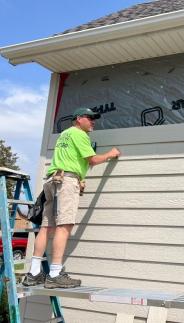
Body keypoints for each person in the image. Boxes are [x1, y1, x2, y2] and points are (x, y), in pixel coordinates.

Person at [23, 107, 121, 288]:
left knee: (46, 227)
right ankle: (54, 274)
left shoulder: (65, 134)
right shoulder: (80, 134)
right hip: (66, 181)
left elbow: (75, 159)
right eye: (90, 118)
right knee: (64, 226)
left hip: (53, 180)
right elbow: (92, 160)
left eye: (94, 119)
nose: (93, 122)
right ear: (79, 118)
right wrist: (110, 154)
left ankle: (34, 273)